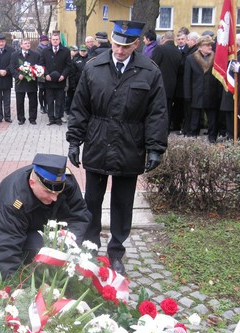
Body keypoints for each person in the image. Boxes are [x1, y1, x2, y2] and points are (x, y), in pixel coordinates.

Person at [67, 19, 168, 274]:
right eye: (116, 44)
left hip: (129, 145)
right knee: (92, 200)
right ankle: (89, 247)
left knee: (123, 203)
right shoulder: (94, 67)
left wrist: (155, 147)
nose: (119, 50)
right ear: (111, 40)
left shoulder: (149, 71)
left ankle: (116, 251)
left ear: (136, 44)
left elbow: (157, 113)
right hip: (98, 141)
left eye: (125, 46)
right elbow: (80, 107)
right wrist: (74, 141)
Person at [0, 153, 90, 280]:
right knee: (37, 245)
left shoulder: (67, 183)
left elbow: (78, 216)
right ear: (32, 183)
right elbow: (6, 246)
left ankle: (52, 272)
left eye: (58, 192)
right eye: (48, 192)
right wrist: (12, 286)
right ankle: (31, 269)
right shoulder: (14, 201)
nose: (55, 198)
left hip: (46, 219)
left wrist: (68, 245)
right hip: (9, 219)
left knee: (59, 247)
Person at [184, 35, 223, 142]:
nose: (210, 47)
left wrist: (219, 94)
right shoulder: (191, 59)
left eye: (211, 45)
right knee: (195, 118)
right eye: (207, 45)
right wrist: (187, 95)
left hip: (211, 93)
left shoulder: (215, 58)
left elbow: (219, 77)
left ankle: (212, 138)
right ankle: (193, 138)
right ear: (200, 46)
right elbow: (187, 79)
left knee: (212, 119)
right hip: (196, 93)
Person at [152, 31, 181, 130]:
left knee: (157, 108)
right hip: (172, 85)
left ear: (164, 38)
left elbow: (153, 66)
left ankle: (158, 128)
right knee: (168, 108)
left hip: (159, 84)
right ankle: (166, 129)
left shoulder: (160, 48)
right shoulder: (178, 51)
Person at [39, 33, 71, 126]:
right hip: (48, 81)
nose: (55, 41)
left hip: (60, 80)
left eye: (57, 39)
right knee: (49, 100)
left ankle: (58, 118)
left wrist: (63, 76)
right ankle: (51, 118)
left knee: (59, 100)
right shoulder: (45, 51)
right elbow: (42, 64)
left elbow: (68, 66)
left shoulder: (65, 51)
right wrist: (46, 75)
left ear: (59, 40)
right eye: (53, 39)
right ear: (51, 40)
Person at [10, 38, 40, 125]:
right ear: (21, 45)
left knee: (33, 101)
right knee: (20, 101)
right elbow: (12, 67)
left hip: (31, 82)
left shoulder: (35, 55)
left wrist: (32, 72)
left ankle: (32, 118)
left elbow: (38, 67)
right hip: (20, 82)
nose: (27, 45)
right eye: (25, 43)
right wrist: (17, 75)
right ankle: (21, 118)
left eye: (28, 43)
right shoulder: (14, 55)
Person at [66, 45, 87, 116]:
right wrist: (73, 85)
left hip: (86, 84)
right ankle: (69, 112)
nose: (83, 52)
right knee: (72, 99)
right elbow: (72, 74)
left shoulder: (90, 59)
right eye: (82, 51)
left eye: (84, 51)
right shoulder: (75, 60)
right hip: (76, 83)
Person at [36, 35, 50, 114]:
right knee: (41, 90)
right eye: (43, 40)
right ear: (40, 41)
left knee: (47, 91)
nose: (45, 42)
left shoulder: (49, 48)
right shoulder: (38, 50)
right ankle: (42, 106)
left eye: (46, 40)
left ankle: (46, 105)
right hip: (40, 73)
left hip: (48, 72)